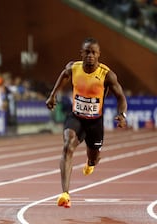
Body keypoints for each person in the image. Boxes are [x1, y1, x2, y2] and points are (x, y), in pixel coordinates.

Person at [45, 38, 127, 208]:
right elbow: (63, 75)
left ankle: (90, 164)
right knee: (68, 145)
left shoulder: (107, 75)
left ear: (98, 55)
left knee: (94, 157)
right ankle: (65, 194)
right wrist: (53, 95)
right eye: (87, 52)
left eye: (93, 52)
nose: (90, 55)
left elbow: (121, 97)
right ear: (81, 53)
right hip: (76, 117)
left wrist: (122, 114)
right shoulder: (73, 68)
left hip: (95, 122)